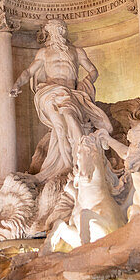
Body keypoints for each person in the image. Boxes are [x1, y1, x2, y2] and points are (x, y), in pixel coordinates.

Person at [10, 18, 112, 182]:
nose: (61, 31)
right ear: (50, 31)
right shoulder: (43, 53)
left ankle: (82, 161)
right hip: (49, 91)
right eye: (57, 28)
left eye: (62, 28)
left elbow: (93, 71)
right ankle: (66, 165)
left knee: (70, 118)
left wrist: (86, 83)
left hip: (70, 93)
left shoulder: (76, 51)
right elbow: (29, 72)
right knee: (58, 125)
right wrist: (17, 84)